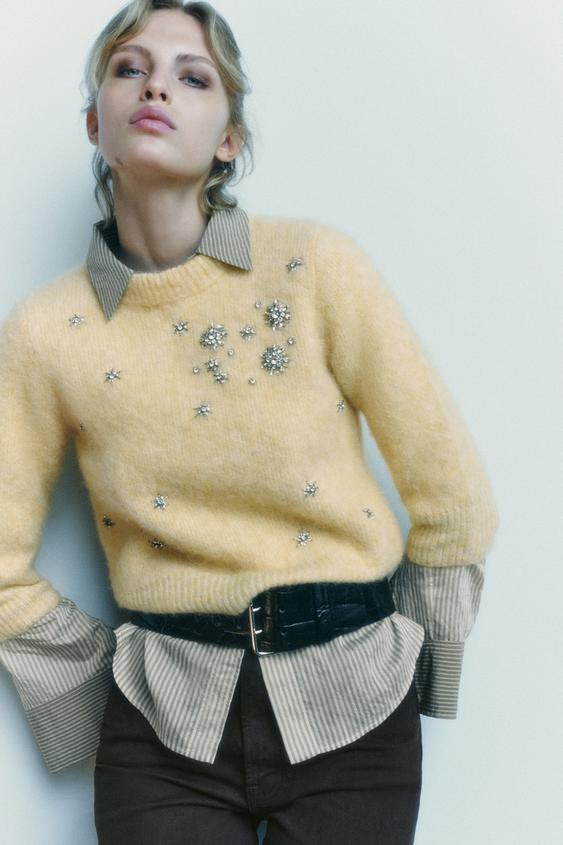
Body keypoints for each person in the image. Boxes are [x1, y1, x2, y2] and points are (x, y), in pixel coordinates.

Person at [0, 1, 500, 843]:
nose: (156, 85)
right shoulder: (46, 331)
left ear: (228, 139)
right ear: (94, 123)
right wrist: (89, 694)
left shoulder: (314, 266)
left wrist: (424, 668)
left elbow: (454, 498)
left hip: (355, 701)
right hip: (161, 723)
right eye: (129, 69)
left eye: (192, 77)